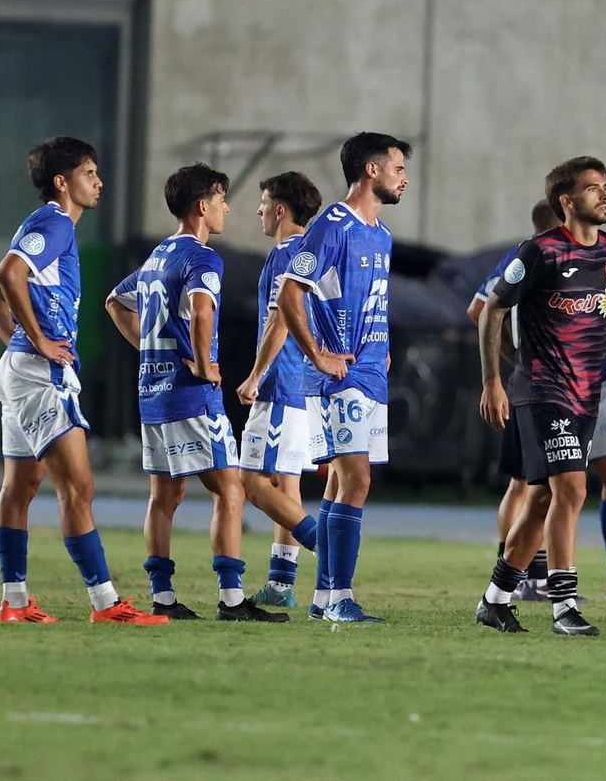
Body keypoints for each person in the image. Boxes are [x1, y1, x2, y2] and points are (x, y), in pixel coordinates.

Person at [474, 157, 606, 635]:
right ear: (567, 201)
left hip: (586, 396)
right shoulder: (540, 251)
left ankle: (494, 600)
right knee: (574, 489)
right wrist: (492, 382)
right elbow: (491, 310)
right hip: (543, 391)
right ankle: (564, 606)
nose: (604, 195)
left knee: (542, 498)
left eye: (605, 186)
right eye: (592, 188)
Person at [0, 137, 167, 625]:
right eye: (89, 173)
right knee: (78, 489)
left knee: (20, 488)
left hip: (22, 371)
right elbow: (7, 275)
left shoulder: (48, 227)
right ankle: (107, 605)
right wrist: (38, 342)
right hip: (41, 374)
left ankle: (15, 602)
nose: (98, 181)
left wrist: (21, 344)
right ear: (62, 182)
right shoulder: (55, 222)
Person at [106, 164, 287, 622]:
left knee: (163, 495)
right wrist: (205, 365)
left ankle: (163, 599)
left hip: (153, 390)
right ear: (203, 206)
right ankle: (232, 600)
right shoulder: (204, 257)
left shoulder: (158, 255)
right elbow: (203, 311)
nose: (228, 207)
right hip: (191, 394)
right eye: (222, 198)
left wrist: (152, 349)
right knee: (229, 490)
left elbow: (115, 302)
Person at [276, 132, 409, 623]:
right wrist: (319, 353)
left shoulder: (383, 235)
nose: (404, 178)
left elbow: (373, 297)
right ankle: (341, 598)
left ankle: (323, 599)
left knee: (339, 483)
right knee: (357, 480)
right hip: (340, 377)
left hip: (370, 372)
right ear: (372, 170)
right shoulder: (334, 225)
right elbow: (292, 292)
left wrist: (384, 346)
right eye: (398, 169)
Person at [237, 171, 327, 608]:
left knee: (251, 482)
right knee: (286, 484)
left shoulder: (286, 254)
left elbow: (279, 319)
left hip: (281, 384)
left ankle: (328, 551)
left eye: (263, 200)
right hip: (304, 386)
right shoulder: (316, 253)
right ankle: (280, 585)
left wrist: (256, 375)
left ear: (280, 208)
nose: (257, 210)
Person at [470, 200, 560, 602]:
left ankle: (530, 577)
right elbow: (481, 310)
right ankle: (520, 577)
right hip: (537, 383)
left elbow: (479, 306)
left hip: (544, 382)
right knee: (529, 482)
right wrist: (511, 359)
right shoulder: (534, 254)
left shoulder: (528, 252)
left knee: (533, 482)